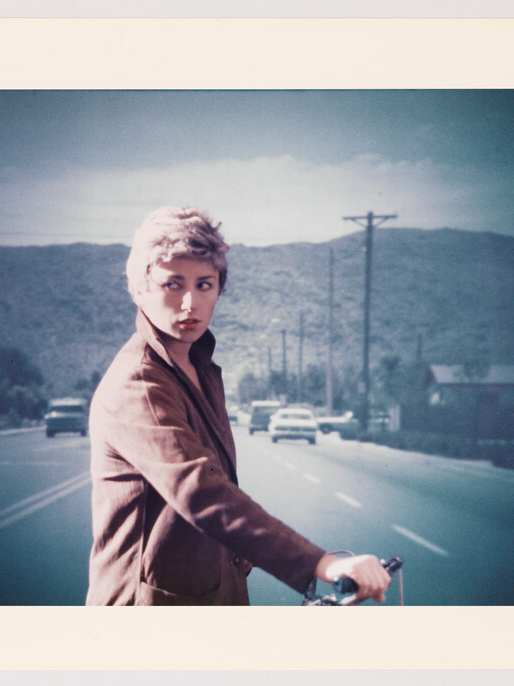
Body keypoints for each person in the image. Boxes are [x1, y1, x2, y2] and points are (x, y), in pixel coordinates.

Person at [85, 206, 392, 606]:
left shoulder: (199, 367)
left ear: (220, 289)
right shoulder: (140, 381)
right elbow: (200, 491)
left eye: (205, 284)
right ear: (140, 289)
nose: (190, 303)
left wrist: (240, 547)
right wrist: (323, 564)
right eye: (172, 284)